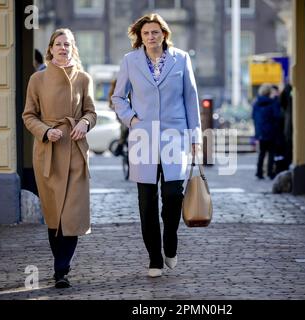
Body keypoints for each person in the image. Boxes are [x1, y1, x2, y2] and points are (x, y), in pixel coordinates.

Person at [112, 13, 202, 278]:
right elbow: (118, 97)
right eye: (146, 33)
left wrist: (195, 137)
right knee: (147, 202)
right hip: (143, 137)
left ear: (164, 34)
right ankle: (154, 258)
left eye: (155, 32)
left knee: (174, 195)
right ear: (140, 37)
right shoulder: (130, 61)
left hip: (176, 136)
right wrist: (132, 119)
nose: (151, 37)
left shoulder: (181, 58)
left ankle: (170, 240)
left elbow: (191, 99)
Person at [22, 28, 97, 288]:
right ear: (51, 48)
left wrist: (85, 123)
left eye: (68, 44)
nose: (63, 48)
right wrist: (45, 131)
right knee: (55, 215)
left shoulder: (84, 78)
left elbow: (91, 112)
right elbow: (28, 115)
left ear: (72, 48)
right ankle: (60, 264)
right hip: (49, 153)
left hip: (76, 151)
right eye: (59, 44)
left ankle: (61, 269)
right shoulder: (37, 80)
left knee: (72, 214)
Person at [252, 84, 280, 180]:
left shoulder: (256, 104)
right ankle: (270, 172)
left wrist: (257, 133)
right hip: (271, 131)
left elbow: (254, 118)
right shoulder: (273, 103)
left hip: (260, 132)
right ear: (269, 92)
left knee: (261, 153)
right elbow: (277, 116)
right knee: (271, 153)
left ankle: (259, 172)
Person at [108, 78, 129, 157]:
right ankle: (120, 145)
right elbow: (111, 104)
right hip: (120, 114)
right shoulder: (114, 91)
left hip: (129, 112)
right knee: (124, 128)